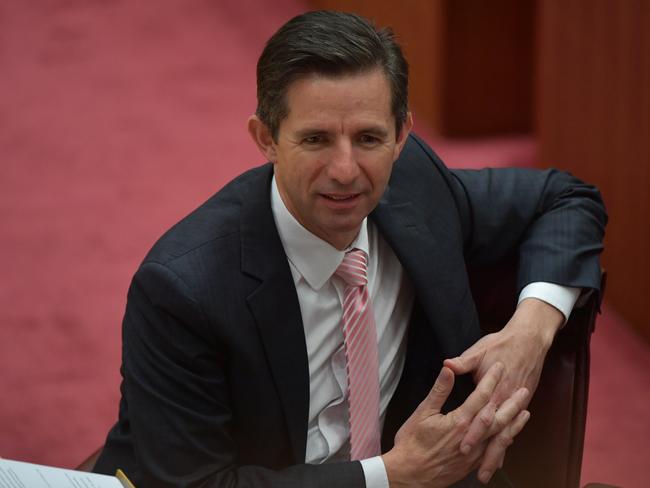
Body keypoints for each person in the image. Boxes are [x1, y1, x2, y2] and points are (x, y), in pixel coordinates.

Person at [93, 10, 606, 488]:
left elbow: (566, 199)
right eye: (316, 140)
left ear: (402, 135)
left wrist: (530, 331)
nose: (345, 171)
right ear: (266, 137)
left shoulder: (418, 187)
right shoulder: (183, 291)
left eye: (368, 138)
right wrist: (390, 475)